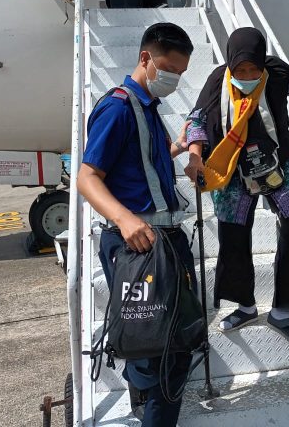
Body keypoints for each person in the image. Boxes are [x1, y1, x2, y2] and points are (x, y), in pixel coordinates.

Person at [76, 22, 195, 426]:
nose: (175, 78)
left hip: (163, 238)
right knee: (163, 355)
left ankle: (142, 397)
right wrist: (124, 219)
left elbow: (145, 161)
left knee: (165, 341)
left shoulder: (147, 110)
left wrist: (180, 150)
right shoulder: (118, 107)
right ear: (145, 59)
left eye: (181, 72)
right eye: (169, 68)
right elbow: (87, 177)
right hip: (137, 244)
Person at [184, 27, 289, 340]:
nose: (247, 75)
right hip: (232, 166)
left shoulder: (280, 72)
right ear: (230, 65)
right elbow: (197, 120)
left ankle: (283, 309)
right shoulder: (219, 79)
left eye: (253, 69)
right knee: (233, 235)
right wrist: (194, 156)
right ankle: (244, 305)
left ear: (262, 62)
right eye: (240, 70)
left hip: (279, 159)